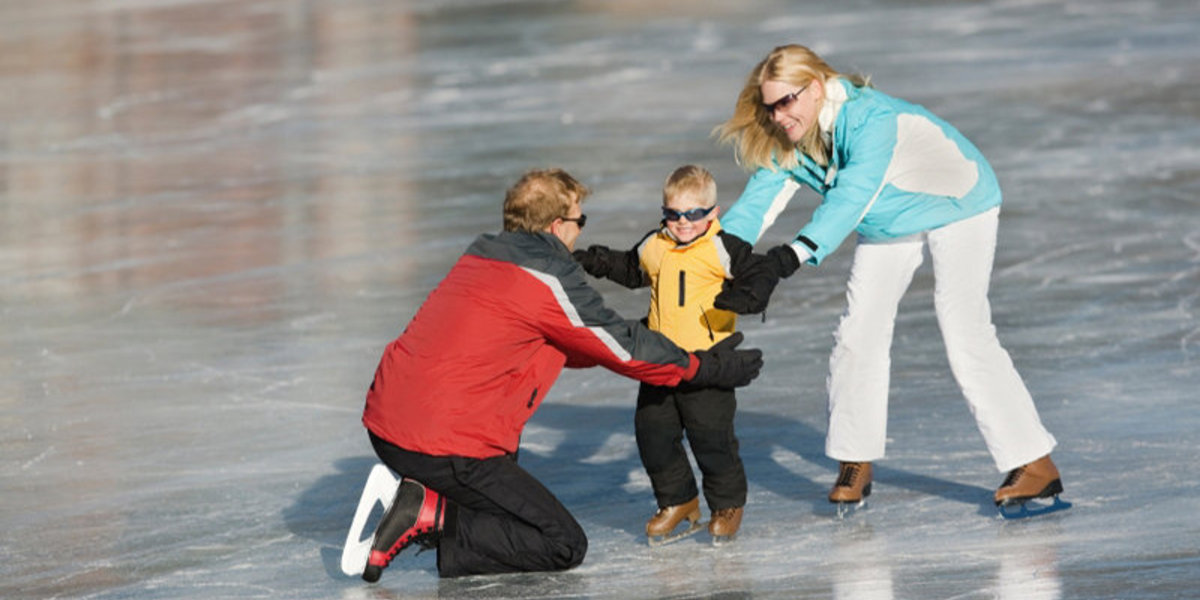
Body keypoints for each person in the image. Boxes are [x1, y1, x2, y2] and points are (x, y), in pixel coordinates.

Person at [357, 168, 764, 582]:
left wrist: (649, 338)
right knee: (561, 542)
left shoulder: (482, 255)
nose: (580, 232)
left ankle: (430, 503)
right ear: (557, 226)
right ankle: (430, 511)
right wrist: (703, 366)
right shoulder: (547, 275)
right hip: (442, 444)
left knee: (501, 495)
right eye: (579, 222)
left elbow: (571, 342)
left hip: (387, 425)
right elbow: (621, 349)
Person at [712, 44, 1063, 512]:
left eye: (786, 102)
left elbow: (849, 198)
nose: (777, 116)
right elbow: (757, 204)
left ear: (815, 89)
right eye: (769, 106)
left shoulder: (872, 120)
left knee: (964, 329)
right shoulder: (790, 134)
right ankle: (854, 460)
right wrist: (711, 260)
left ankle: (1034, 464)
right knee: (858, 333)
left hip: (959, 203)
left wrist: (784, 261)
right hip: (888, 218)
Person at [572, 165, 778, 545]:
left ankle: (727, 504)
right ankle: (678, 500)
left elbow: (760, 272)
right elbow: (631, 268)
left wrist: (750, 296)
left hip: (708, 364)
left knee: (711, 437)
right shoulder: (656, 243)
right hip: (659, 360)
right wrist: (594, 260)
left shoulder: (722, 247)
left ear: (712, 213)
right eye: (673, 214)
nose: (682, 223)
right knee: (653, 434)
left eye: (693, 214)